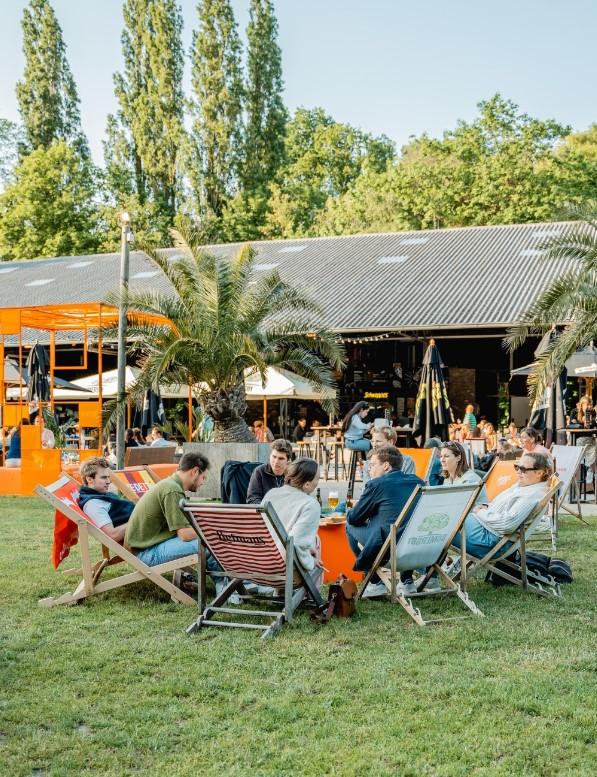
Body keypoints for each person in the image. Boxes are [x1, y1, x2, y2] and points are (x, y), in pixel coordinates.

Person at [345, 445, 423, 597]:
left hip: (389, 549)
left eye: (373, 464)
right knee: (405, 525)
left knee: (349, 525)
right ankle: (407, 582)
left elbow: (354, 518)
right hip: (417, 546)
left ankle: (375, 582)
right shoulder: (418, 482)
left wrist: (353, 510)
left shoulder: (377, 484)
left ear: (386, 465)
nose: (369, 469)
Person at [451, 452, 553, 560]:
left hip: (488, 542)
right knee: (440, 521)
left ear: (539, 473)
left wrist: (480, 512)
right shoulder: (525, 485)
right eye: (517, 467)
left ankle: (433, 573)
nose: (518, 472)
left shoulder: (531, 496)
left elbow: (507, 524)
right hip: (483, 530)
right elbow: (501, 507)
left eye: (523, 469)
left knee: (439, 528)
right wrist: (486, 507)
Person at [262, 458, 322, 577]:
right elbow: (297, 543)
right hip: (284, 571)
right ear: (307, 484)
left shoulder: (271, 494)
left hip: (258, 563)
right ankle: (308, 596)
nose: (318, 482)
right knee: (317, 546)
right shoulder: (310, 504)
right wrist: (311, 562)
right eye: (318, 478)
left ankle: (278, 593)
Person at [77, 456, 135, 542]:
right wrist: (140, 519)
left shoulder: (101, 494)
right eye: (104, 477)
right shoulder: (93, 505)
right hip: (144, 543)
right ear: (89, 479)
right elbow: (112, 535)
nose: (108, 481)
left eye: (108, 477)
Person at [246, 439, 293, 504]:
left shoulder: (293, 474)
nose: (276, 462)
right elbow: (252, 499)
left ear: (288, 461)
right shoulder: (259, 472)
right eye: (274, 457)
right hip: (265, 511)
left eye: (281, 458)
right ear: (270, 455)